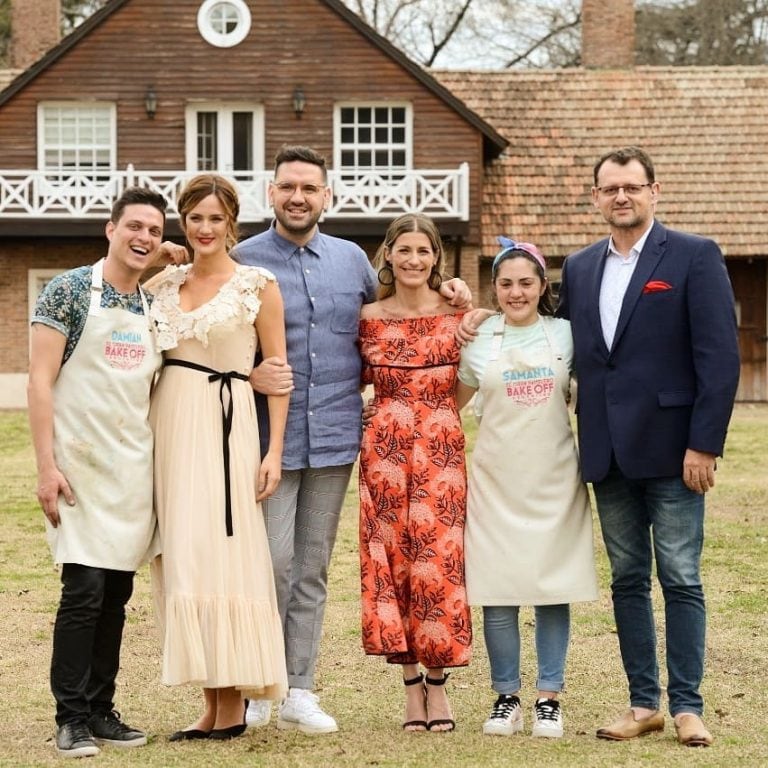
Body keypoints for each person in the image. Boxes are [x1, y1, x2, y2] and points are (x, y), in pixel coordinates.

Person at [232, 145, 471, 734]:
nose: (298, 197)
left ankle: (300, 689)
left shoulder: (352, 263)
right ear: (272, 192)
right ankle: (258, 686)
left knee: (311, 567)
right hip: (269, 439)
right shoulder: (244, 261)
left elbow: (402, 324)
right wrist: (248, 373)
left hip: (340, 441)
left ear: (325, 196)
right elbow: (217, 340)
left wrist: (459, 296)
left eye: (309, 188)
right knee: (273, 563)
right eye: (288, 186)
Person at [557, 146, 740, 747]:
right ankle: (644, 704)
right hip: (607, 453)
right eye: (610, 188)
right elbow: (553, 335)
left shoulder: (692, 256)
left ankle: (688, 706)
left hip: (675, 450)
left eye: (632, 187)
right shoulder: (580, 267)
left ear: (653, 192)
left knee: (682, 577)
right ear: (595, 198)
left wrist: (704, 444)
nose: (621, 197)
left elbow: (718, 359)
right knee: (628, 579)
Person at [146, 174, 288, 741]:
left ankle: (233, 705)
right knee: (182, 556)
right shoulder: (163, 284)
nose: (204, 229)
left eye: (215, 218)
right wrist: (156, 254)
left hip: (227, 430)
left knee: (221, 554)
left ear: (232, 222)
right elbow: (109, 289)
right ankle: (210, 700)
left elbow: (278, 375)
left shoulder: (257, 284)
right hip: (170, 430)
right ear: (184, 221)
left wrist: (273, 451)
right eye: (194, 218)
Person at [28, 188, 169, 758]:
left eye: (155, 231)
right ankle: (70, 717)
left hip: (131, 467)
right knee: (83, 591)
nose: (144, 238)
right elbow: (39, 381)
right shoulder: (67, 291)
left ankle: (102, 708)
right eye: (134, 226)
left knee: (116, 594)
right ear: (108, 229)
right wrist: (46, 467)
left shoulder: (153, 306)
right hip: (78, 466)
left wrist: (170, 254)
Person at [455, 238, 598, 740]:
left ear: (542, 287)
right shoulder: (478, 337)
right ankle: (506, 696)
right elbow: (447, 403)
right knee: (498, 589)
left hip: (555, 479)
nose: (516, 293)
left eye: (526, 283)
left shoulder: (567, 336)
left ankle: (549, 699)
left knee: (551, 586)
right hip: (495, 481)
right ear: (494, 288)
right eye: (506, 283)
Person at [358, 213, 472, 733]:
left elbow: (483, 358)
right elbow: (348, 378)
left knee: (439, 563)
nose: (413, 260)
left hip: (440, 452)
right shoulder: (369, 316)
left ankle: (440, 685)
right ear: (387, 254)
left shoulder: (459, 314)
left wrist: (445, 410)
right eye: (403, 250)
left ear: (435, 259)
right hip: (383, 452)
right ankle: (409, 690)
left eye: (423, 251)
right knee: (394, 565)